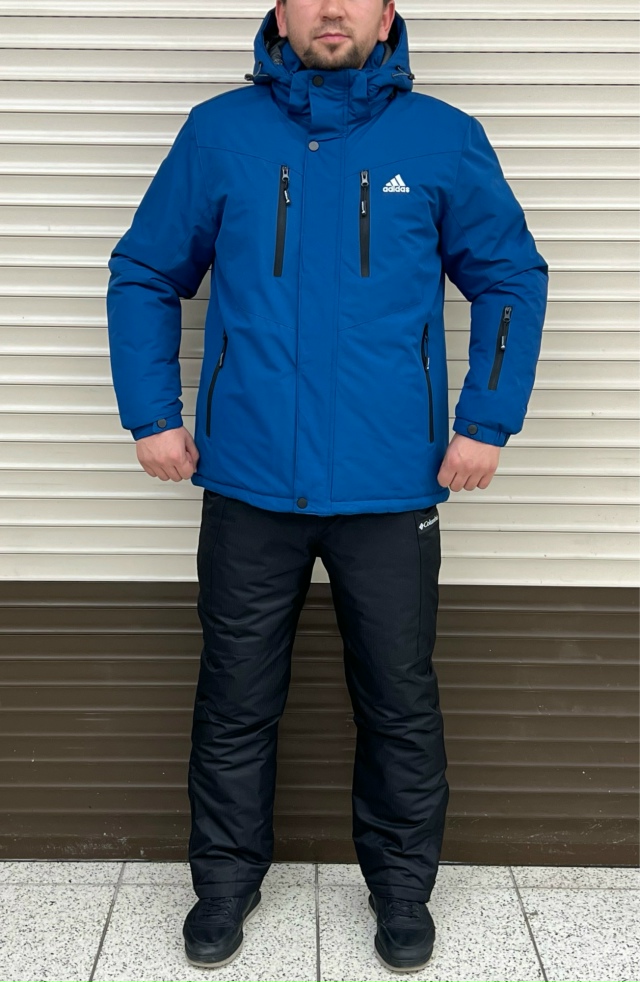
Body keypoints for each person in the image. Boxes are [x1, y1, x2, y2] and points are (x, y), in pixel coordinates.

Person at [106, 0, 549, 972]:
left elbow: (511, 278)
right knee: (234, 699)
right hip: (249, 482)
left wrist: (485, 421)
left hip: (391, 488)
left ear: (387, 12)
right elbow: (145, 271)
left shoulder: (441, 139)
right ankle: (223, 886)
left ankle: (401, 892)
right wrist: (152, 413)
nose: (333, 10)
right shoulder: (219, 132)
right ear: (281, 8)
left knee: (398, 701)